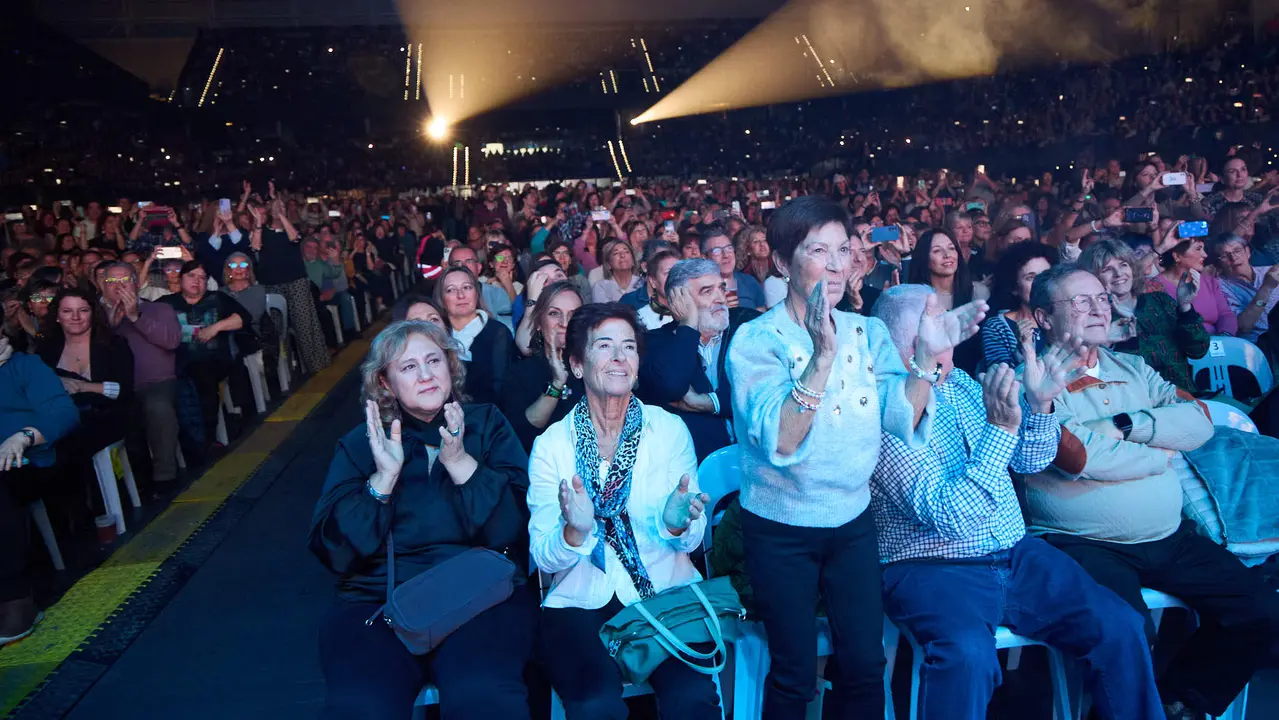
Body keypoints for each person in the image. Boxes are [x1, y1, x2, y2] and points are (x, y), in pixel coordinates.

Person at [726, 196, 985, 718]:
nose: (838, 264)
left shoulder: (867, 333)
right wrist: (821, 357)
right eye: (819, 250)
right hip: (781, 528)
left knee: (866, 667)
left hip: (852, 523)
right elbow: (781, 438)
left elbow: (901, 416)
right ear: (781, 262)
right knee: (795, 674)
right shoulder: (754, 341)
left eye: (844, 250)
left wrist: (925, 362)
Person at [868, 284, 1162, 719]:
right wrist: (1001, 432)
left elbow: (1028, 460)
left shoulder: (963, 383)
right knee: (966, 658)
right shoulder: (882, 407)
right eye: (941, 321)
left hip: (1017, 553)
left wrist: (1040, 407)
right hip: (933, 565)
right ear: (905, 341)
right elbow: (950, 515)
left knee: (1120, 627)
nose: (956, 328)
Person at [1023, 263, 1279, 719]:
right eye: (1079, 301)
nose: (1098, 309)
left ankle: (1179, 703)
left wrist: (1125, 425)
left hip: (1167, 535)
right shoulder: (1031, 381)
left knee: (1260, 610)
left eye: (1101, 298)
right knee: (1129, 632)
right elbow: (1074, 458)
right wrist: (1158, 452)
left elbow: (1199, 421)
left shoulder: (1135, 367)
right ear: (1044, 317)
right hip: (1080, 541)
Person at [310, 320, 535, 720]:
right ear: (384, 383)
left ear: (451, 366)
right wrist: (382, 481)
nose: (427, 374)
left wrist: (462, 463)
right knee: (360, 707)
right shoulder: (364, 443)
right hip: (380, 603)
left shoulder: (486, 425)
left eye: (434, 360)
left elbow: (514, 534)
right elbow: (336, 554)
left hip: (480, 596)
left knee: (484, 696)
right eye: (409, 367)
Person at [527, 303, 720, 719]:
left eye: (629, 346)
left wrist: (675, 525)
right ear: (577, 365)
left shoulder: (667, 430)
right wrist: (574, 533)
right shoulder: (553, 445)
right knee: (594, 703)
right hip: (579, 601)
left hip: (663, 592)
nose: (619, 356)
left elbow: (691, 530)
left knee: (692, 700)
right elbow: (542, 555)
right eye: (605, 345)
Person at [0, 335, 79, 645]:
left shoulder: (25, 367)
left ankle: (17, 600)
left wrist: (23, 437)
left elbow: (64, 414)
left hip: (28, 462)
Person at [639, 259, 757, 461]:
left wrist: (708, 402)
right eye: (707, 291)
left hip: (756, 461)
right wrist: (688, 325)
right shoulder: (655, 342)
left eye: (721, 288)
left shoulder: (747, 325)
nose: (720, 298)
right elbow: (673, 387)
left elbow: (760, 392)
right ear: (677, 301)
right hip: (695, 468)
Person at [1080, 238, 1208, 394]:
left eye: (1123, 265)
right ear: (1092, 278)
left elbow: (1198, 350)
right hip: (1136, 406)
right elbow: (1090, 373)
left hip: (1185, 397)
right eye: (1107, 269)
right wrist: (1106, 340)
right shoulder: (1094, 319)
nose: (1119, 273)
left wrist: (1185, 306)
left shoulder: (1159, 301)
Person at [99, 261, 183, 484]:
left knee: (158, 407)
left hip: (155, 383)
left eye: (125, 280)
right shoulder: (93, 318)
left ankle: (165, 475)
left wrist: (136, 317)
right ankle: (124, 484)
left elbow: (171, 341)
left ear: (136, 284)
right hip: (111, 388)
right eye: (112, 281)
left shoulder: (159, 309)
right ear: (102, 286)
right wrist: (110, 325)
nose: (118, 286)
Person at [158, 262, 253, 457]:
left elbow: (244, 317)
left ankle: (207, 440)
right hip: (177, 361)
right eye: (192, 276)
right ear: (181, 279)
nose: (197, 281)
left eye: (202, 278)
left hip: (213, 360)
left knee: (203, 374)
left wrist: (216, 327)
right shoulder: (166, 302)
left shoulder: (217, 298)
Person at [36, 288, 135, 463]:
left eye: (83, 310)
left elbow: (124, 391)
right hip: (61, 419)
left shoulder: (114, 345)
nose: (75, 317)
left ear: (93, 314)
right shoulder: (47, 348)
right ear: (57, 316)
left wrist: (82, 386)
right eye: (67, 311)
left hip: (107, 418)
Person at [500, 281, 585, 452]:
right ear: (538, 322)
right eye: (554, 313)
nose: (564, 323)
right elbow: (522, 433)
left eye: (573, 314)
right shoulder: (518, 373)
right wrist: (557, 384)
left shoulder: (594, 367)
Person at [909, 229, 989, 373]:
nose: (947, 255)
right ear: (924, 259)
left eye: (951, 249)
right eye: (937, 251)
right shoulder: (917, 298)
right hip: (928, 375)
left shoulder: (978, 292)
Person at [433, 266, 514, 406]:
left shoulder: (498, 333)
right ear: (441, 298)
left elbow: (501, 390)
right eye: (451, 290)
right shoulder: (437, 336)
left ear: (477, 293)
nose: (460, 295)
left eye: (467, 287)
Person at [979, 242, 1055, 370]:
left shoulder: (1065, 314)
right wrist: (1023, 350)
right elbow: (1001, 378)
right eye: (1030, 278)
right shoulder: (997, 327)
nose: (1040, 283)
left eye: (1046, 275)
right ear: (1014, 287)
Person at [1149, 232, 1236, 336]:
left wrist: (1225, 335)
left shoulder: (1209, 282)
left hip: (1217, 344)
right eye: (1198, 249)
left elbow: (1226, 314)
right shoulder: (1154, 287)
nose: (1205, 255)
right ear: (1177, 256)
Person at [1211, 233, 1279, 343]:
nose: (1233, 258)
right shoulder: (1219, 287)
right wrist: (1266, 288)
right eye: (1224, 255)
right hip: (1258, 345)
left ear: (1247, 252)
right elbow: (1244, 326)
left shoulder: (1270, 271)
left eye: (1237, 251)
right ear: (1218, 262)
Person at [446, 246, 514, 332]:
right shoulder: (441, 295)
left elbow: (515, 320)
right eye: (457, 263)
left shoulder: (495, 293)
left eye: (469, 261)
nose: (463, 266)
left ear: (478, 267)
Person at [702, 228, 765, 310]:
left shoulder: (749, 282)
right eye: (717, 251)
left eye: (729, 248)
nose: (726, 255)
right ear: (705, 258)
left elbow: (763, 318)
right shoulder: (701, 290)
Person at [634, 248, 681, 331]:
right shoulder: (641, 318)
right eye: (668, 273)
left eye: (679, 272)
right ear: (653, 281)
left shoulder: (699, 311)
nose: (675, 278)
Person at [591, 240, 642, 304]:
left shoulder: (643, 284)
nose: (622, 255)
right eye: (616, 253)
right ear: (608, 264)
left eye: (626, 252)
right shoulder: (601, 287)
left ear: (633, 261)